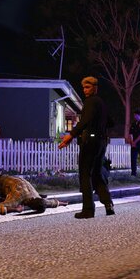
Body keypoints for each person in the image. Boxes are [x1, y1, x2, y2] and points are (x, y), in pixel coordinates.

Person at [58, 76, 115, 219]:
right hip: (101, 142)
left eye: (88, 87)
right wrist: (99, 125)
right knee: (96, 173)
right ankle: (108, 204)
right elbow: (111, 122)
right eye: (83, 87)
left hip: (90, 142)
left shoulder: (90, 102)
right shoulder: (101, 103)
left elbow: (85, 120)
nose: (85, 90)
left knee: (85, 174)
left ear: (95, 87)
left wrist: (71, 135)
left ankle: (88, 210)